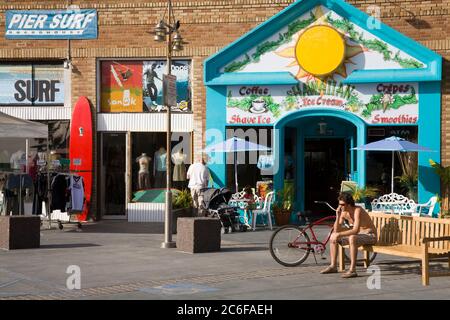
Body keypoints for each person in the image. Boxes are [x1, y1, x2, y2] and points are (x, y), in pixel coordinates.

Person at [320, 192, 377, 278]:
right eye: (339, 204)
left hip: (370, 235)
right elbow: (336, 230)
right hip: (358, 235)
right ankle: (333, 266)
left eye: (342, 204)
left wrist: (339, 234)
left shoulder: (358, 210)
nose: (340, 206)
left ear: (349, 204)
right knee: (332, 236)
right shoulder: (343, 212)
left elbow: (355, 230)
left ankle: (352, 270)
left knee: (352, 237)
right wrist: (338, 216)